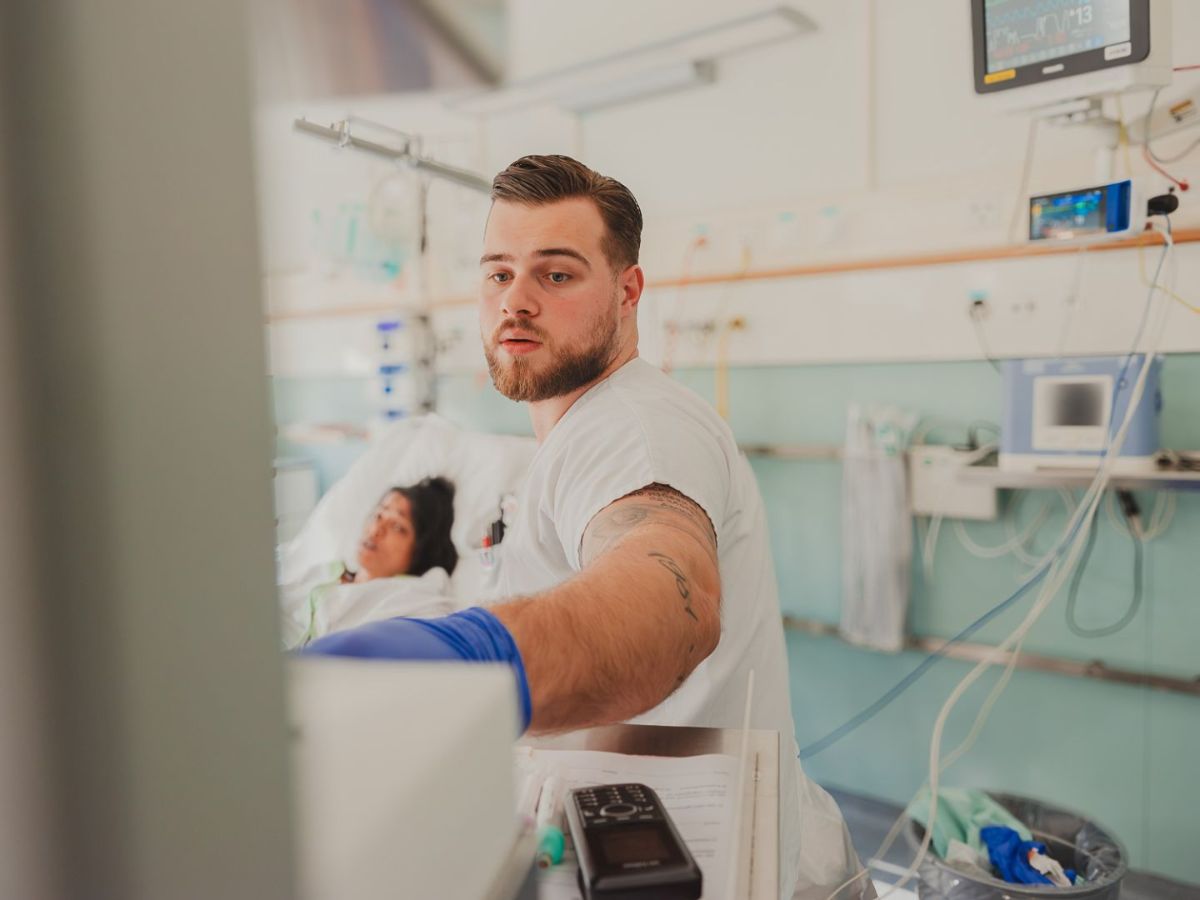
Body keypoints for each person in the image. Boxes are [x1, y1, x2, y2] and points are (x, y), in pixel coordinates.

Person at [305, 157, 870, 899]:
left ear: (628, 291)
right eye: (498, 274)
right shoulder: (580, 432)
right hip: (653, 832)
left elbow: (670, 595)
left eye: (557, 275)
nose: (517, 301)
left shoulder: (633, 431)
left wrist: (469, 661)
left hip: (705, 865)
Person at [281, 477, 459, 648]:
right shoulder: (328, 571)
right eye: (379, 515)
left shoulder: (411, 598)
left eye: (397, 526)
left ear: (422, 550)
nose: (375, 530)